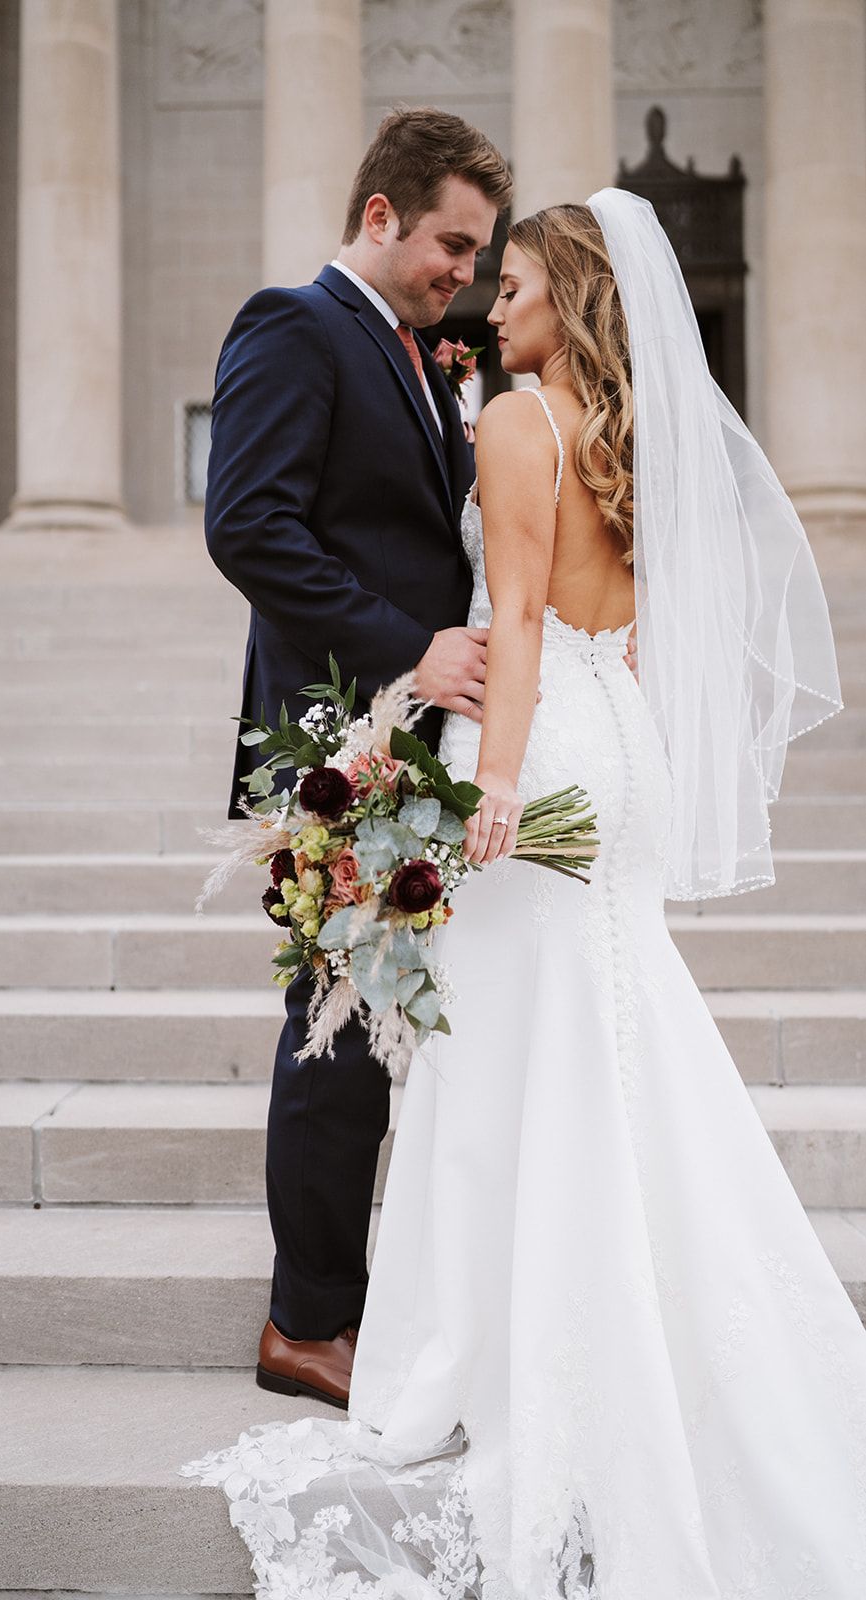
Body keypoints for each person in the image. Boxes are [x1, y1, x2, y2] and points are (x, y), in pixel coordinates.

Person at [185, 191, 866, 1598]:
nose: (488, 307)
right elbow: (612, 624)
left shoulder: (514, 421)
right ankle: (644, 1322)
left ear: (570, 296)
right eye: (479, 281)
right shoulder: (629, 433)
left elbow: (516, 628)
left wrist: (486, 789)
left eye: (513, 287)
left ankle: (496, 1347)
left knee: (498, 1062)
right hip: (621, 753)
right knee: (609, 1041)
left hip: (537, 748)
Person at [203, 108, 515, 1407]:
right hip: (338, 741)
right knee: (331, 1035)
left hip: (410, 746)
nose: (466, 270)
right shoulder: (293, 323)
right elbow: (250, 529)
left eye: (479, 250)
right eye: (451, 241)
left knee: (373, 1022)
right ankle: (306, 1322)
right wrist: (410, 653)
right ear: (379, 214)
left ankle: (361, 1296)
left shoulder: (412, 347)